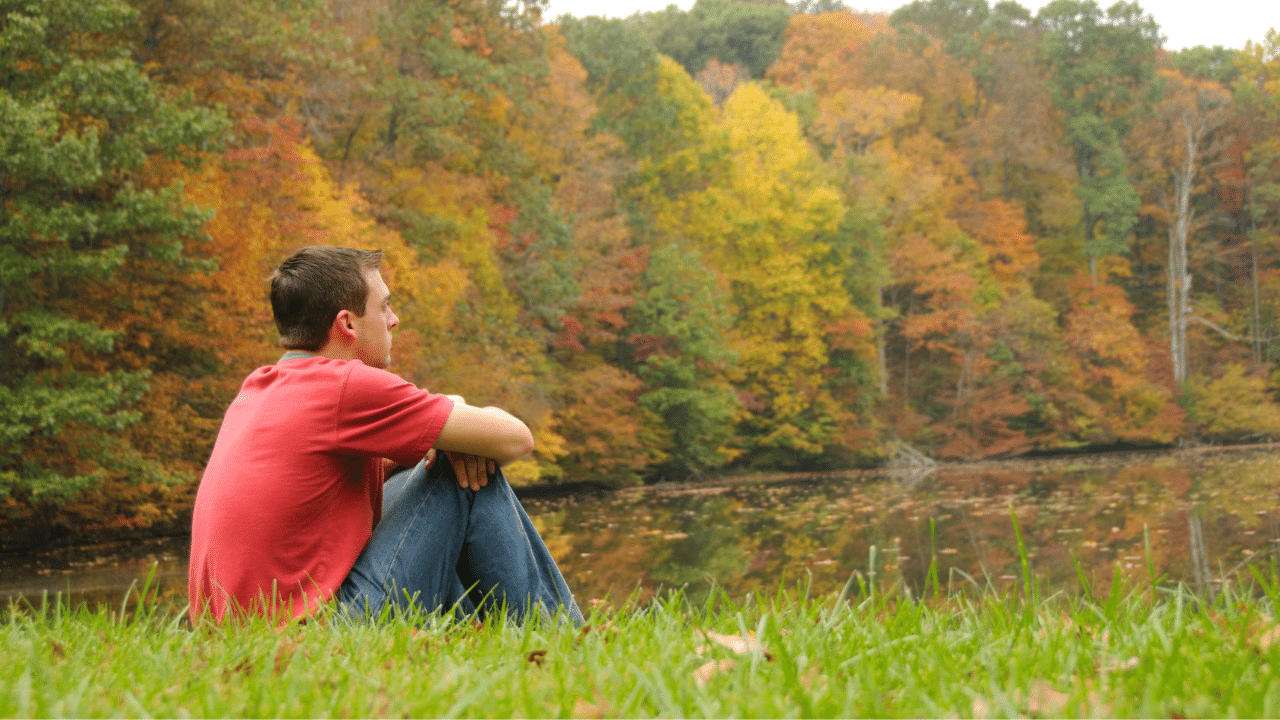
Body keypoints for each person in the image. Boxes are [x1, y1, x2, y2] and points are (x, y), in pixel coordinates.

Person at [188, 246, 581, 625]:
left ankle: (476, 630)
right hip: (313, 632)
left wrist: (445, 431)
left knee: (444, 454)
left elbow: (370, 472)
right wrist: (455, 425)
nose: (394, 319)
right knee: (457, 467)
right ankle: (560, 634)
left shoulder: (260, 388)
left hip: (240, 630)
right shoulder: (344, 386)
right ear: (347, 324)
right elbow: (516, 439)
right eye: (384, 306)